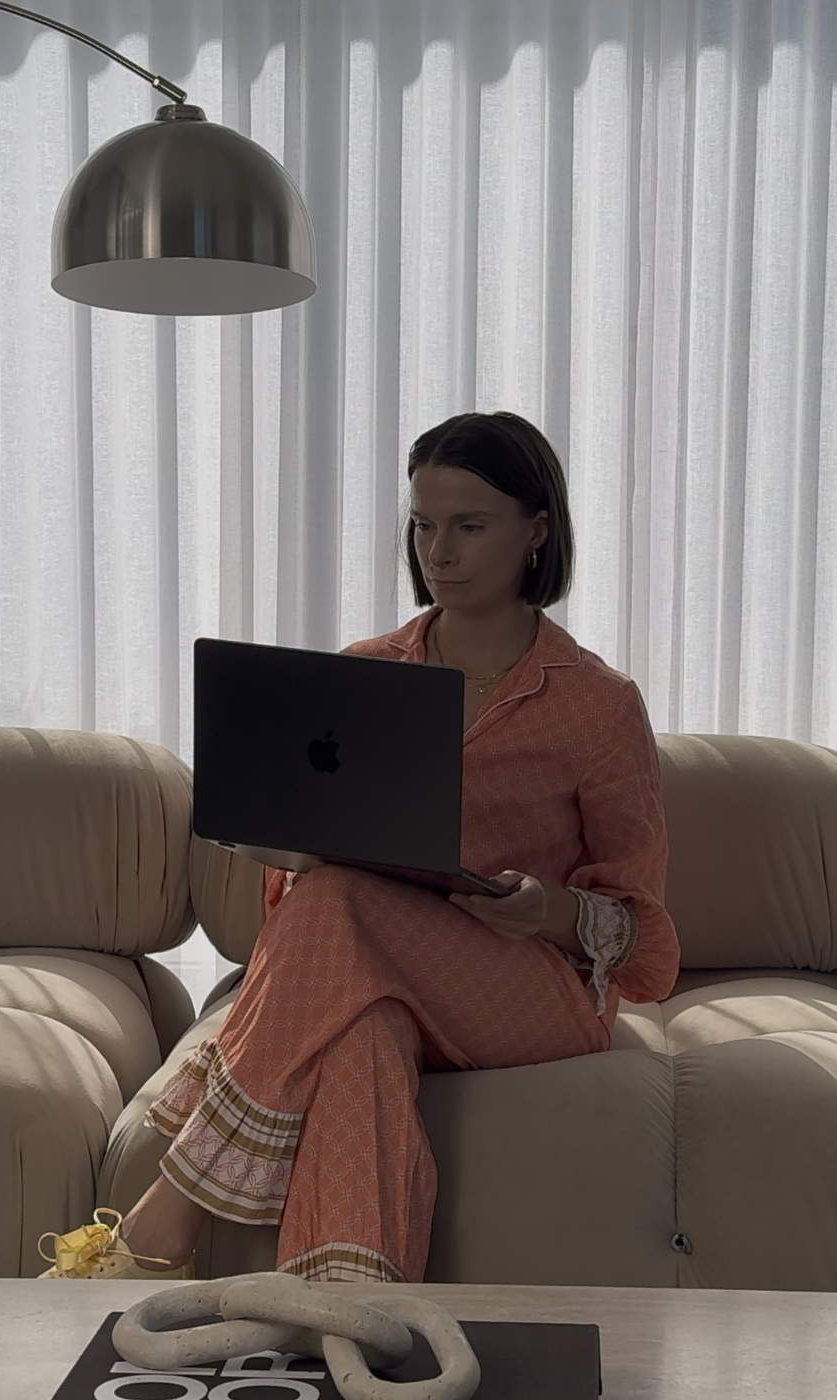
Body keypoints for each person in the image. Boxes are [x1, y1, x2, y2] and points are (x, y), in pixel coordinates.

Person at [44, 410, 680, 1284]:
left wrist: (546, 910)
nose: (438, 552)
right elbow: (297, 901)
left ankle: (164, 1218)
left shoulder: (598, 704)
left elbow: (646, 943)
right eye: (422, 525)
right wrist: (294, 849)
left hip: (527, 982)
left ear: (536, 530)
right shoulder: (363, 672)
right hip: (367, 960)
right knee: (362, 1028)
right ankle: (346, 1312)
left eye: (468, 526)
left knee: (340, 913)